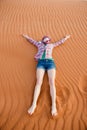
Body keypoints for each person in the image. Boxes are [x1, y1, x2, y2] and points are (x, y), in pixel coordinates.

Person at [22, 34, 70, 116]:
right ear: (43, 40)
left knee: (51, 82)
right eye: (45, 39)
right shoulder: (39, 44)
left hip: (51, 63)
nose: (47, 41)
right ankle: (34, 104)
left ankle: (54, 105)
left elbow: (59, 43)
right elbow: (32, 41)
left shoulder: (51, 45)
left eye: (48, 40)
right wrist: (26, 37)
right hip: (41, 63)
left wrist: (65, 38)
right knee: (38, 82)